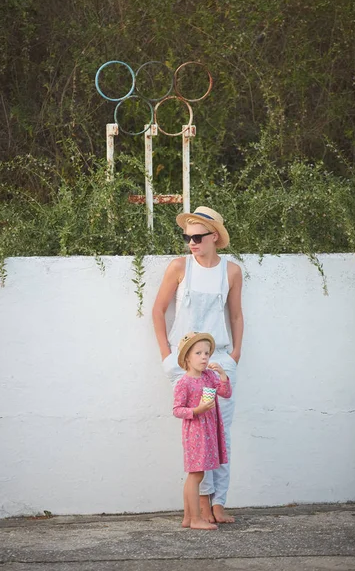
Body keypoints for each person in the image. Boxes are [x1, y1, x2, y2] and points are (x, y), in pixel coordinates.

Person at [152, 206, 243, 523]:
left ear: (214, 237)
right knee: (199, 434)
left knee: (221, 434)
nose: (191, 242)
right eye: (187, 236)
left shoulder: (230, 272)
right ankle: (203, 506)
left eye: (197, 236)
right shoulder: (180, 267)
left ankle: (219, 502)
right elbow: (158, 311)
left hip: (218, 362)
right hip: (186, 367)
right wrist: (167, 356)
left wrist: (234, 356)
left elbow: (235, 315)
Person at [173, 332, 232, 530]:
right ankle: (196, 518)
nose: (204, 357)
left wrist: (223, 375)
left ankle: (188, 518)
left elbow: (225, 393)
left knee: (196, 474)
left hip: (208, 432)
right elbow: (177, 410)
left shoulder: (209, 376)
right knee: (196, 475)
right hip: (194, 434)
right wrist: (196, 410)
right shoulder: (184, 382)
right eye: (198, 353)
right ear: (187, 358)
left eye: (207, 353)